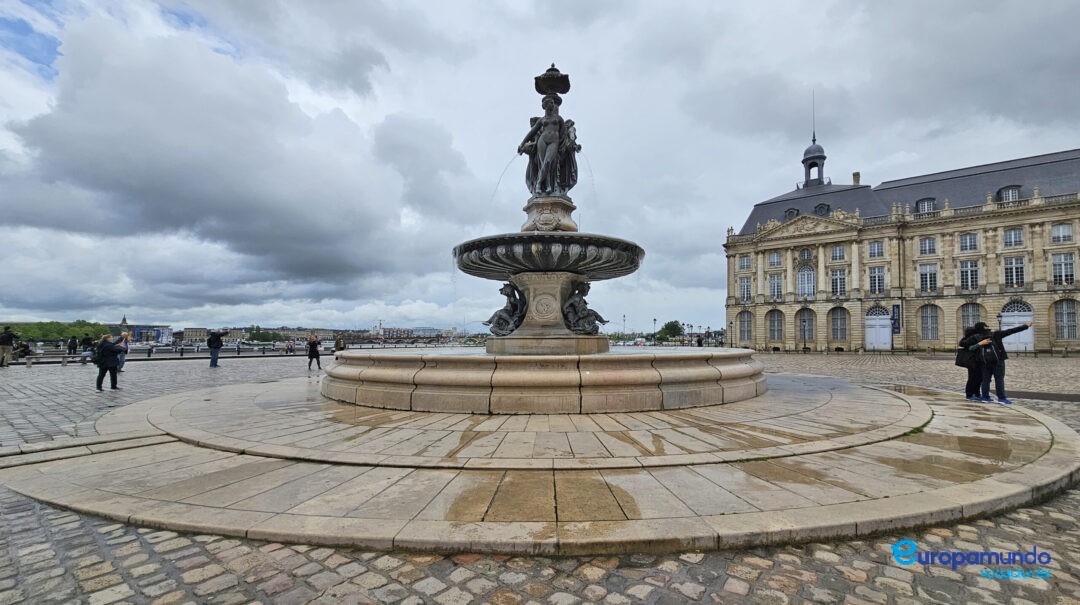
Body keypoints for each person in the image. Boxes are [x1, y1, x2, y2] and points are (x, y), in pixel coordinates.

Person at [971, 320, 1033, 404]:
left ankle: (985, 397)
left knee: (985, 380)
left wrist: (979, 344)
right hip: (998, 360)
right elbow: (1011, 331)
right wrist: (1025, 326)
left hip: (984, 361)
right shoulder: (996, 334)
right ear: (985, 327)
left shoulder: (975, 337)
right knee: (999, 379)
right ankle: (1001, 398)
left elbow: (969, 348)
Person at [957, 326, 984, 401]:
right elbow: (963, 344)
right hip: (973, 361)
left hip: (977, 361)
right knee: (972, 378)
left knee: (977, 378)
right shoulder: (970, 339)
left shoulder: (968, 338)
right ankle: (969, 394)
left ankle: (976, 393)